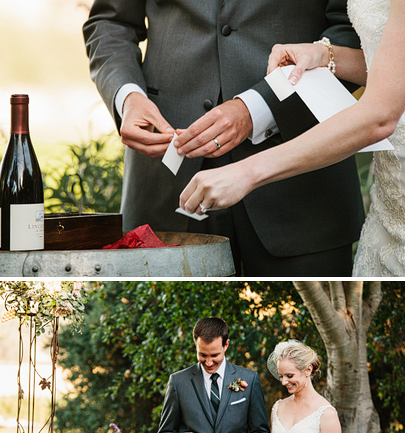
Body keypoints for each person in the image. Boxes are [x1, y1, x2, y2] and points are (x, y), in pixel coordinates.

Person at [83, 0, 365, 276]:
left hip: (302, 186)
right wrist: (128, 97)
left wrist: (257, 109)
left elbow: (354, 34)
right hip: (165, 177)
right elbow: (111, 21)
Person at [179, 0, 405, 276]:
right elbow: (391, 68)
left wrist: (246, 172)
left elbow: (381, 116)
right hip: (391, 202)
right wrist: (326, 55)